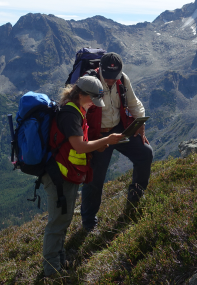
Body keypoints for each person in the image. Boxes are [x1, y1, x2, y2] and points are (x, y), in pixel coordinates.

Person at [42, 76, 125, 279]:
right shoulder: (70, 114)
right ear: (81, 94)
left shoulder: (76, 109)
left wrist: (99, 144)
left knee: (65, 217)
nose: (93, 105)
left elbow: (77, 144)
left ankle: (58, 259)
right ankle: (52, 271)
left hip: (66, 171)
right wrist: (107, 139)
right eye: (92, 100)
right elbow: (78, 146)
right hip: (59, 174)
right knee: (57, 221)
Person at [81, 52, 154, 231]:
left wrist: (140, 124)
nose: (111, 80)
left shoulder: (122, 80)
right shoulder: (89, 82)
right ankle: (89, 222)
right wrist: (89, 143)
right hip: (97, 135)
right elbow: (77, 111)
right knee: (94, 179)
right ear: (100, 70)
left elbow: (133, 103)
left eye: (115, 77)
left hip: (118, 129)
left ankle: (136, 194)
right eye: (108, 77)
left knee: (145, 153)